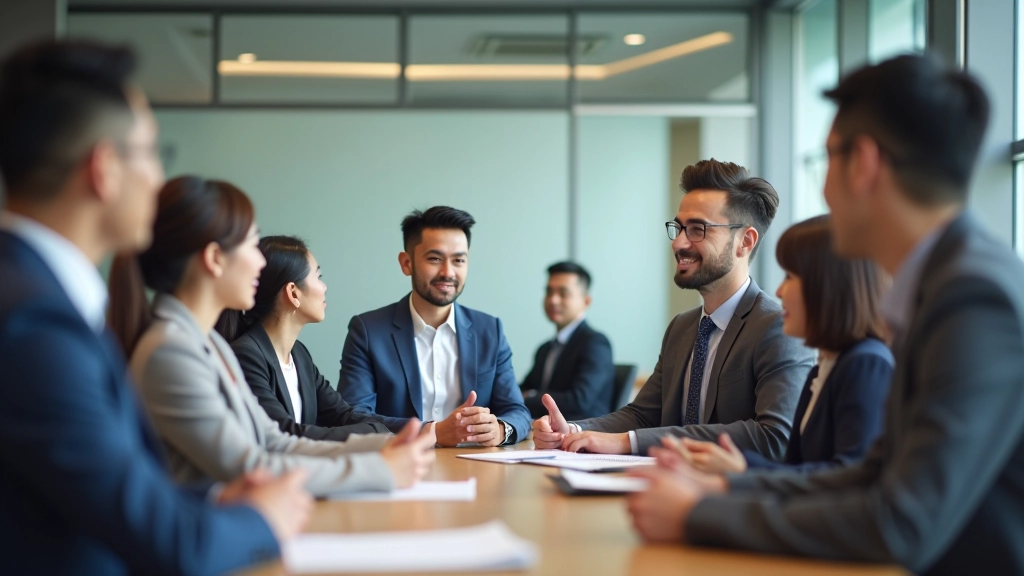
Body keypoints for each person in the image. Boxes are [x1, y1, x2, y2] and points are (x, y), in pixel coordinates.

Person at [627, 55, 1024, 576]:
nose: (822, 189)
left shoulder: (972, 297)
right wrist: (727, 484)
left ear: (863, 163)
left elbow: (900, 521)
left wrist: (703, 514)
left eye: (826, 159)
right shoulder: (945, 280)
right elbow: (871, 474)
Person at [0, 40, 311, 575]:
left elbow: (108, 499)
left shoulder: (43, 300)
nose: (156, 178)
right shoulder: (33, 324)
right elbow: (166, 543)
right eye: (150, 153)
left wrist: (216, 505)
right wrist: (262, 517)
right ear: (104, 169)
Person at [109, 176, 436, 498]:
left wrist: (386, 445)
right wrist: (382, 469)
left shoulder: (210, 346)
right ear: (214, 259)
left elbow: (274, 441)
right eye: (252, 244)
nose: (259, 262)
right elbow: (249, 465)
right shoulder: (171, 350)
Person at [533, 160, 814, 458]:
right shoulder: (682, 327)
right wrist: (573, 432)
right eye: (679, 228)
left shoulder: (777, 327)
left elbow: (774, 437)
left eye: (697, 229)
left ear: (745, 241)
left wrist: (628, 442)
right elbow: (642, 416)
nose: (679, 243)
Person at [673, 215, 892, 475]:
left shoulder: (866, 364)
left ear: (829, 286)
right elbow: (795, 470)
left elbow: (849, 479)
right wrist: (740, 466)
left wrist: (742, 472)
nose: (778, 291)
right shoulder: (823, 370)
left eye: (790, 276)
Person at [338, 206, 532, 447]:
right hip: (401, 464)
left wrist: (501, 429)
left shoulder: (489, 330)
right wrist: (433, 432)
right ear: (407, 263)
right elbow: (353, 416)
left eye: (459, 260)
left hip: (477, 468)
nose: (448, 272)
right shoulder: (367, 331)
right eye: (435, 259)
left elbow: (517, 411)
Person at [221, 235, 390, 442]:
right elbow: (286, 434)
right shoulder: (246, 356)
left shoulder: (299, 354)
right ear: (293, 293)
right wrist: (377, 432)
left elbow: (344, 415)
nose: (324, 287)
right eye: (318, 277)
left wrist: (425, 430)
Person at [520, 261, 615, 420]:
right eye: (549, 292)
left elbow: (579, 401)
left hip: (583, 436)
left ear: (586, 301)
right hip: (543, 435)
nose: (553, 300)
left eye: (563, 293)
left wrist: (530, 397)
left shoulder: (596, 343)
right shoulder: (545, 349)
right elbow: (522, 389)